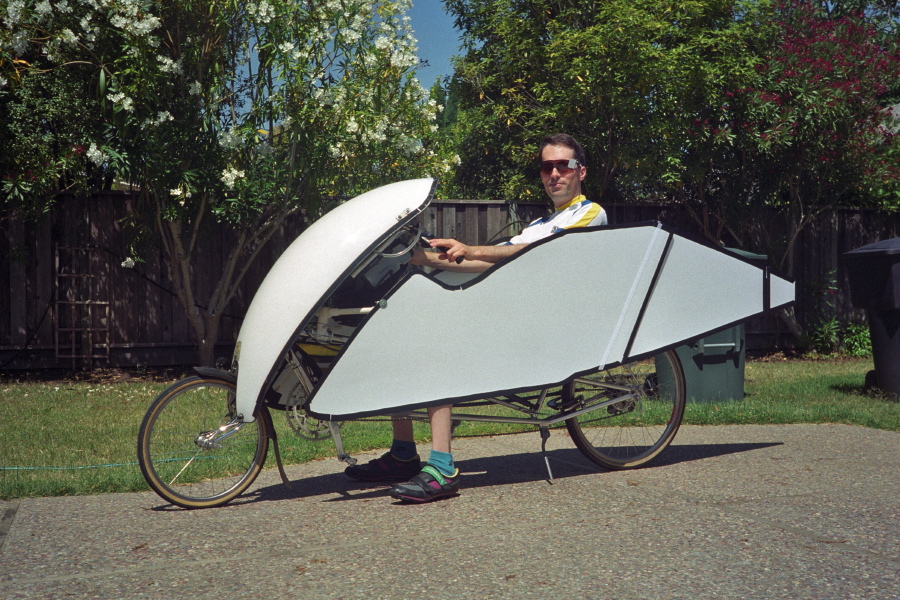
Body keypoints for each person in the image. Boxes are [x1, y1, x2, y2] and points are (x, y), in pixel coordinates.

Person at [345, 133, 608, 502]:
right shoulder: (539, 223)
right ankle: (403, 454)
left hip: (546, 324)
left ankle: (443, 469)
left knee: (437, 347)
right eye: (546, 167)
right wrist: (418, 256)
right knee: (403, 335)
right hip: (515, 313)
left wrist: (469, 248)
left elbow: (535, 252)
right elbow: (487, 261)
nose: (553, 174)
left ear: (581, 171)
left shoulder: (590, 213)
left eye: (562, 166)